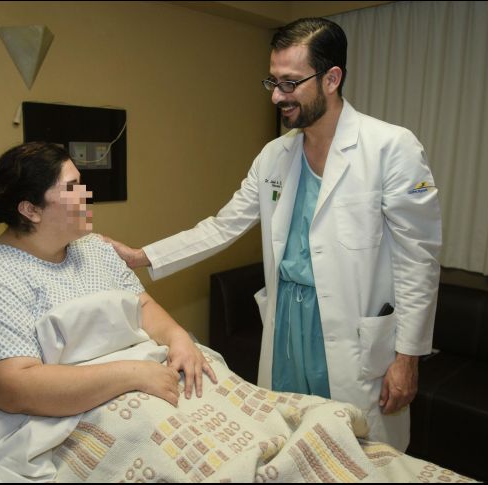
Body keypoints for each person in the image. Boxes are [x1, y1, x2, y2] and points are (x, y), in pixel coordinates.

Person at [106, 17, 441, 451]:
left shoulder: (391, 148)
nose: (277, 96)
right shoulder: (274, 156)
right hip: (287, 328)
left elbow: (419, 260)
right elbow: (223, 225)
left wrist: (407, 357)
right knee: (290, 440)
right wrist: (141, 256)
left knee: (355, 452)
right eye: (272, 82)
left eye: (289, 83)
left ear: (332, 78)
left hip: (351, 334)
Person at [0, 141, 216, 435]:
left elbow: (142, 306)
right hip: (51, 418)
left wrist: (178, 339)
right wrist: (132, 374)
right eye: (72, 188)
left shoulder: (95, 249)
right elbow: (14, 389)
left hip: (143, 379)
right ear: (31, 209)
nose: (87, 195)